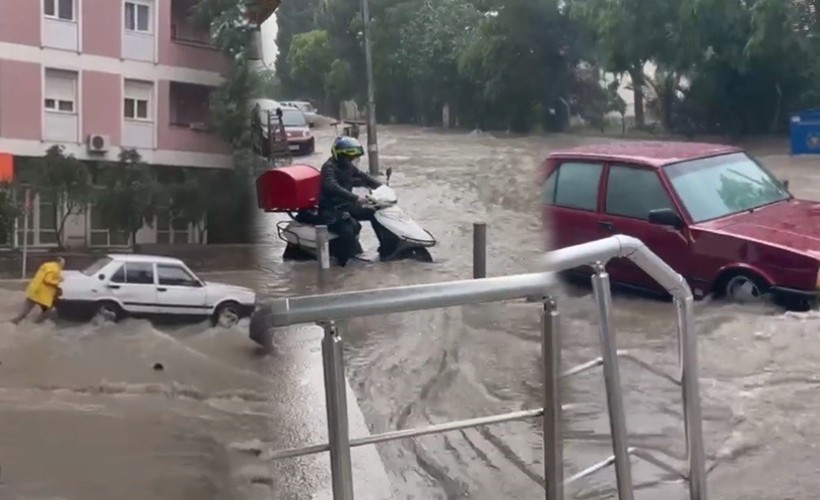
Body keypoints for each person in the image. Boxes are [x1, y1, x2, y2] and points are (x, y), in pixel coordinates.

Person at [319, 136, 390, 266]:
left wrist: (383, 188)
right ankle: (344, 262)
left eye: (352, 158)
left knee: (376, 212)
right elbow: (332, 186)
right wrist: (356, 198)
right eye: (348, 157)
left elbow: (365, 177)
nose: (350, 160)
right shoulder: (329, 167)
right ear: (339, 155)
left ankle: (386, 248)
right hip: (331, 209)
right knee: (349, 227)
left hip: (346, 205)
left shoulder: (348, 167)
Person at [11, 256, 65, 325]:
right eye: (63, 263)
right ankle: (37, 324)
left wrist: (58, 277)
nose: (63, 265)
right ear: (59, 263)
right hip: (43, 295)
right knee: (48, 310)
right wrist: (58, 281)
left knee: (25, 310)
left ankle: (15, 322)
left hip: (34, 290)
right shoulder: (55, 269)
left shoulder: (47, 265)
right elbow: (47, 280)